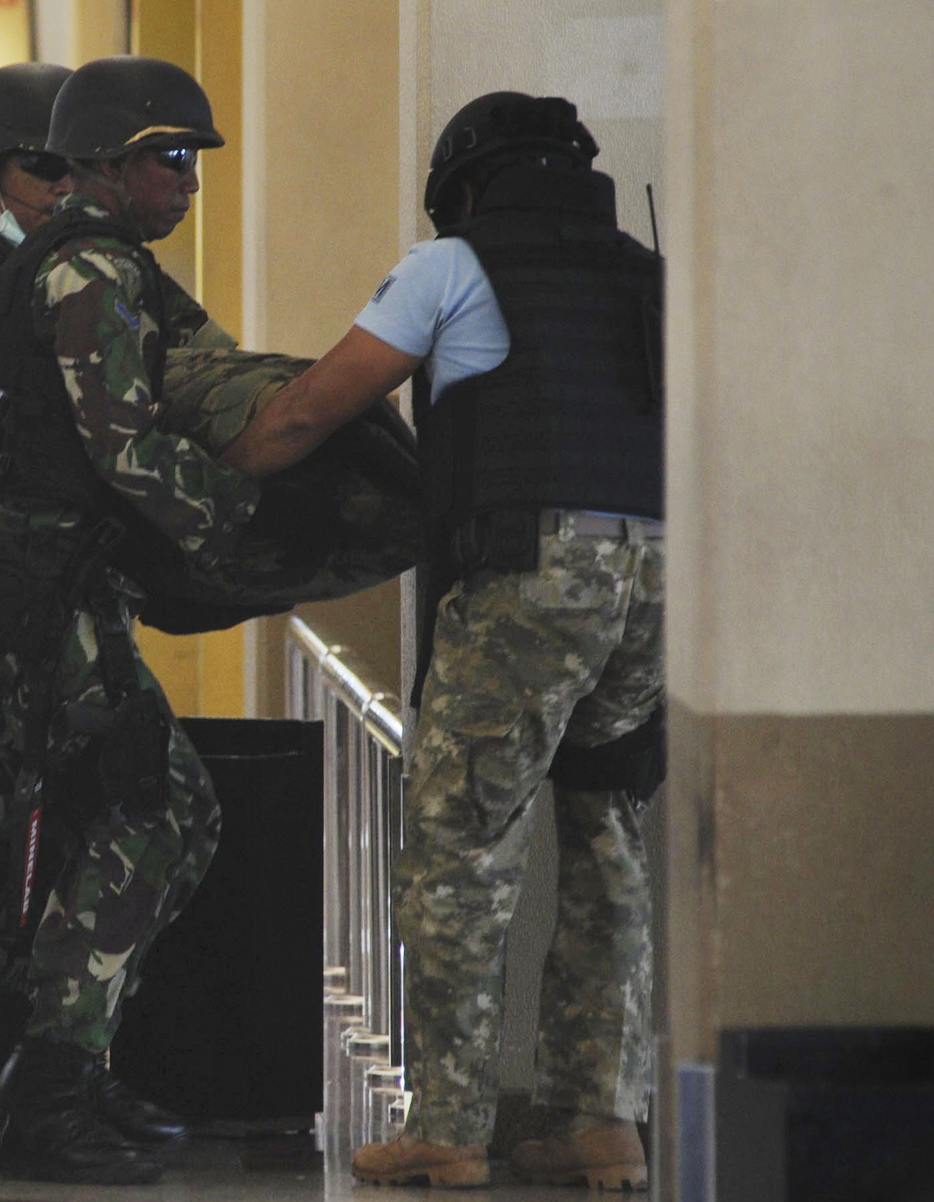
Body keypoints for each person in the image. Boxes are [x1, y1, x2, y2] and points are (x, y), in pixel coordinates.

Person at [223, 92, 665, 1191]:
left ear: (464, 184)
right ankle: (601, 1121)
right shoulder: (646, 272)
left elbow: (308, 410)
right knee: (605, 837)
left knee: (461, 851)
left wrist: (216, 473)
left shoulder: (450, 265)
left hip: (530, 574)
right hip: (657, 577)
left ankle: (451, 1126)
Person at [0, 55, 253, 1186]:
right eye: (37, 164)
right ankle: (16, 1074)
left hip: (51, 586)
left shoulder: (100, 273)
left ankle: (47, 1071)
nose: (50, 184)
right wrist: (5, 502)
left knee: (91, 823)